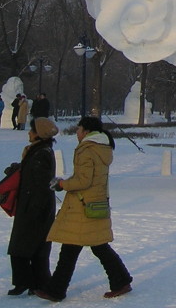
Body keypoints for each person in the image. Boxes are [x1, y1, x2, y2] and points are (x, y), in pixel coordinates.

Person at [36, 116, 132, 302]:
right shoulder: (102, 147)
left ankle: (56, 290)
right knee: (90, 246)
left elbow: (84, 181)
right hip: (94, 204)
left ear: (86, 131)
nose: (77, 133)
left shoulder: (87, 150)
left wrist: (62, 184)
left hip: (83, 205)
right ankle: (120, 281)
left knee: (77, 247)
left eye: (79, 129)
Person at [5, 117, 59, 296]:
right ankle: (35, 282)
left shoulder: (40, 153)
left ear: (39, 134)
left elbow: (42, 183)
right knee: (33, 246)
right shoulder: (38, 151)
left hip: (35, 207)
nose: (29, 133)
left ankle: (31, 282)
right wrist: (17, 168)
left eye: (32, 130)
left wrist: (35, 209)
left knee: (25, 246)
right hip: (33, 205)